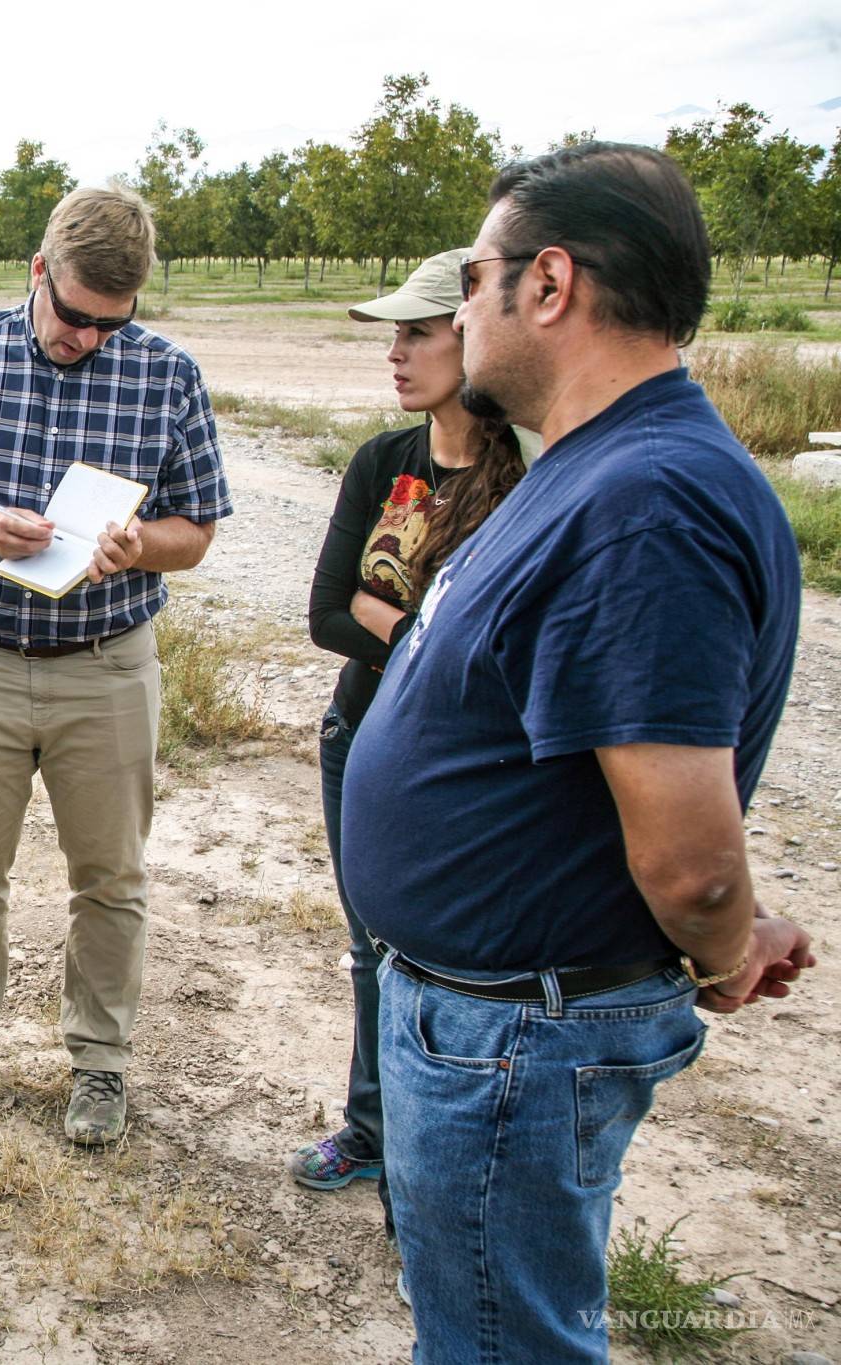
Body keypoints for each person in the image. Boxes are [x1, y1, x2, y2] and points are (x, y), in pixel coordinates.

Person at [341, 142, 816, 1361]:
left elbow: (692, 859)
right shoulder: (587, 467)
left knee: (509, 1343)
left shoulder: (642, 503)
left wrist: (720, 946)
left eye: (473, 279)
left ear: (547, 284)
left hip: (515, 1034)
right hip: (481, 1017)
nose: (456, 311)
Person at [0, 186, 231, 1145]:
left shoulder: (167, 375)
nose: (89, 340)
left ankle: (101, 1065)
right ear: (38, 272)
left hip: (108, 667)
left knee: (111, 877)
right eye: (75, 317)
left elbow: (195, 531)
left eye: (113, 324)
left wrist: (138, 547)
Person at [287, 248, 524, 1222]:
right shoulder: (385, 464)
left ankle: (435, 1182)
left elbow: (513, 649)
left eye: (416, 333)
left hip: (474, 765)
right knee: (371, 950)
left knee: (459, 968)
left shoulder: (531, 474)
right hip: (364, 738)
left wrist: (401, 628)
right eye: (393, 333)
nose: (395, 352)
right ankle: (371, 1134)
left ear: (469, 337)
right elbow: (324, 615)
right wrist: (438, 631)